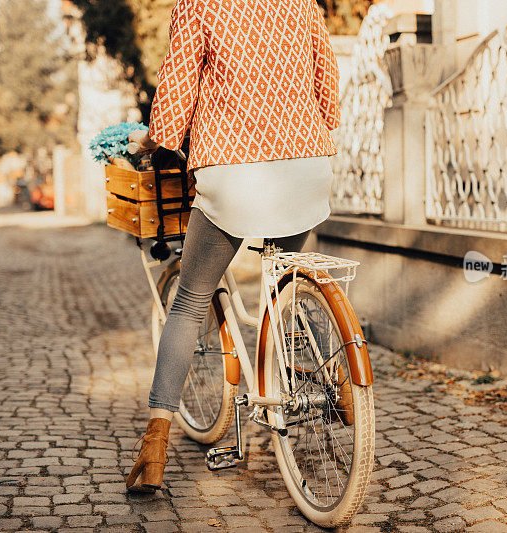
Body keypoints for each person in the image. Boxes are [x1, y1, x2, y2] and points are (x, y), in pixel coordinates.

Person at [125, 0, 340, 492]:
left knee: (190, 301)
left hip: (232, 169)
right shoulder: (302, 3)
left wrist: (155, 142)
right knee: (287, 280)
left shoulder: (199, 3)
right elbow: (327, 90)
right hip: (306, 167)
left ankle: (154, 447)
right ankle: (340, 387)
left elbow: (178, 89)